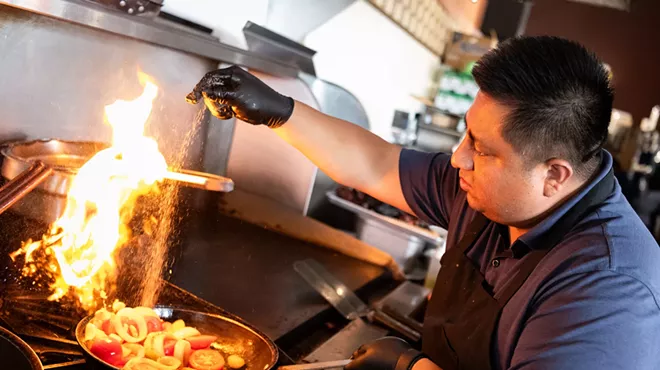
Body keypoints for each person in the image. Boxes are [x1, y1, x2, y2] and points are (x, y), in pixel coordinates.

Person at [186, 36, 660, 369]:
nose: (458, 159)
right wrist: (276, 110)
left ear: (553, 175)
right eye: (465, 135)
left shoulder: (609, 291)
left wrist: (412, 368)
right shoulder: (494, 193)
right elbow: (374, 165)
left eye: (482, 148)